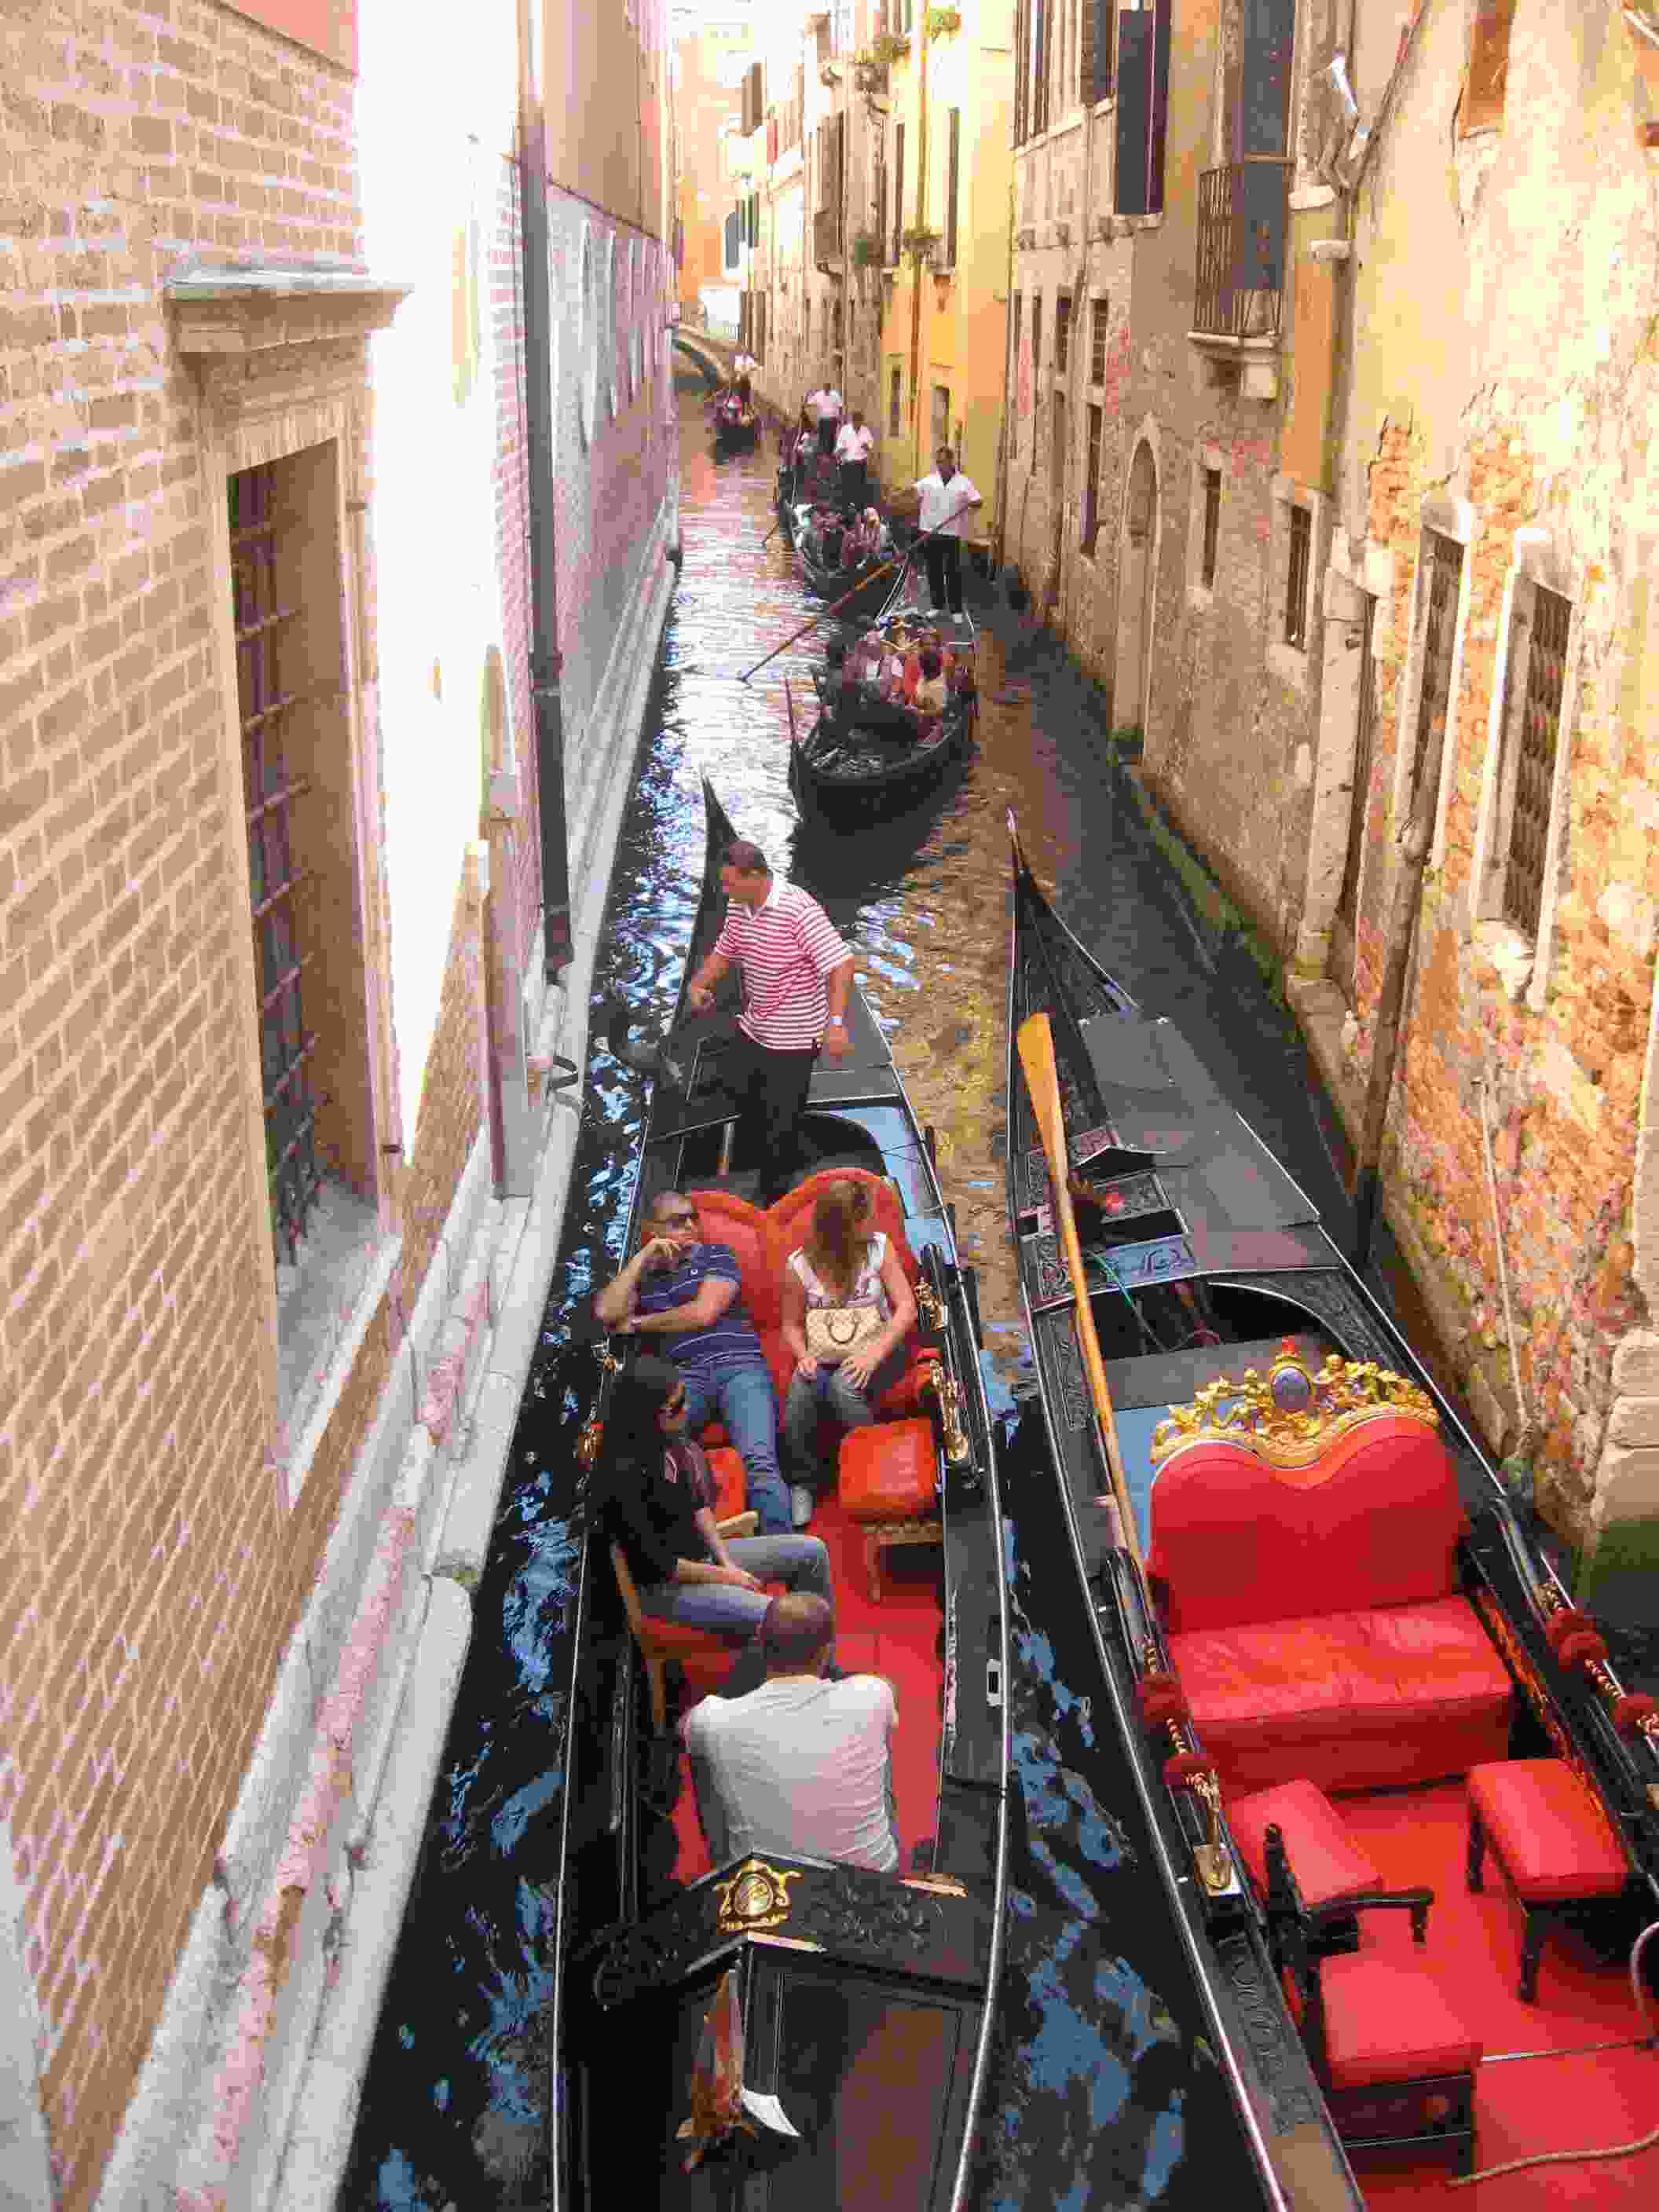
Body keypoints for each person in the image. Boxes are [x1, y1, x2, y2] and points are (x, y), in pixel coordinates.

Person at [592, 1357, 833, 1643]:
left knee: (813, 1553)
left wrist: (725, 1561)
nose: (687, 1409)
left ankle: (821, 1660)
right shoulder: (624, 1477)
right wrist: (728, 1577)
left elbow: (698, 1504)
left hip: (699, 1557)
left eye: (684, 1398)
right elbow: (661, 1567)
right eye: (677, 1406)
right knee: (785, 1619)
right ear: (650, 1415)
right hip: (666, 1588)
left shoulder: (670, 1439)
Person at [595, 1191, 792, 1533]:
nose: (690, 1226)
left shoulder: (718, 1255)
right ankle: (685, 1546)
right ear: (653, 1229)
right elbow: (606, 1312)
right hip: (685, 1376)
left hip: (738, 1366)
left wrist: (638, 1323)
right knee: (652, 1455)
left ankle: (784, 1553)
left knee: (759, 1461)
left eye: (693, 1218)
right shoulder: (645, 1277)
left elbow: (704, 1313)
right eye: (677, 1222)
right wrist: (642, 1257)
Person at [685, 840, 855, 1208]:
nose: (724, 891)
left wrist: (836, 1024)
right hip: (755, 1026)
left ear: (755, 876)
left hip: (794, 1039)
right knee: (745, 1099)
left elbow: (841, 964)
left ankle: (775, 1199)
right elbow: (726, 948)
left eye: (730, 883)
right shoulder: (740, 904)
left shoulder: (799, 911)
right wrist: (699, 983)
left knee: (781, 1122)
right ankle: (756, 1163)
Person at [682, 1592, 899, 1871]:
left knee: (701, 1748)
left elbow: (684, 1727)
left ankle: (723, 1865)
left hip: (764, 1887)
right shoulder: (872, 1694)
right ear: (826, 1652)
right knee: (880, 1727)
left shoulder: (711, 1719)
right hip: (872, 1880)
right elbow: (887, 1687)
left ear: (760, 1642)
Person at [780, 1178, 917, 1527]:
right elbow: (791, 1326)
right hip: (825, 1354)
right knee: (801, 1387)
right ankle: (803, 1482)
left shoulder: (879, 1248)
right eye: (867, 1216)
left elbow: (906, 1309)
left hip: (882, 1347)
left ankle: (875, 1464)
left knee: (844, 1385)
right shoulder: (799, 1266)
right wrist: (803, 1355)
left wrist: (875, 1353)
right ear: (846, 1227)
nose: (875, 1220)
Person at [914, 445, 983, 615]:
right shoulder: (929, 481)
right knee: (934, 571)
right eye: (937, 462)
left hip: (952, 533)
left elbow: (978, 500)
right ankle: (937, 606)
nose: (940, 465)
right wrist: (899, 495)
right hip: (930, 531)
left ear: (951, 461)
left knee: (953, 572)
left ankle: (955, 609)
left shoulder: (964, 482)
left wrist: (974, 503)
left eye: (943, 462)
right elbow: (913, 491)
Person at [834, 408, 875, 508]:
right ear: (851, 421)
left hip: (860, 464)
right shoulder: (845, 430)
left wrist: (866, 447)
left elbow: (870, 446)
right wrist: (841, 451)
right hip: (848, 464)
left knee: (860, 490)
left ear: (861, 421)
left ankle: (859, 510)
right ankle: (846, 510)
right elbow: (839, 447)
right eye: (854, 422)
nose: (856, 425)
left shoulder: (865, 431)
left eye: (858, 422)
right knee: (846, 489)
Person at [913, 646, 948, 718]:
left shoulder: (939, 687)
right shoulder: (923, 677)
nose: (919, 666)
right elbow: (917, 696)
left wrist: (920, 712)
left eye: (920, 664)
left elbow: (940, 712)